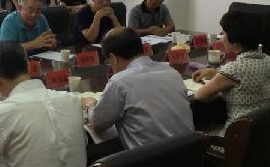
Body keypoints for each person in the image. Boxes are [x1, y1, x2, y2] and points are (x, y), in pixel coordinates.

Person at [81, 27, 194, 156]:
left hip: (152, 165)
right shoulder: (172, 72)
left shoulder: (120, 82)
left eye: (109, 61)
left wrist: (90, 104)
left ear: (113, 58)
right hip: (191, 161)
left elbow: (97, 124)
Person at [193, 11, 270, 135]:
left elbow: (199, 96)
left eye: (224, 33)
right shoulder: (269, 60)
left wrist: (222, 91)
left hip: (235, 137)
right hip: (263, 133)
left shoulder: (234, 69)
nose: (222, 37)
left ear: (236, 43)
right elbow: (248, 77)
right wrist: (216, 73)